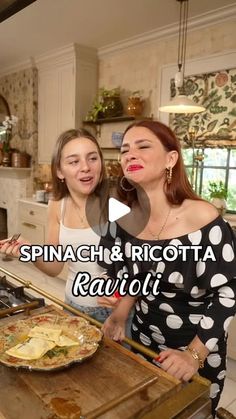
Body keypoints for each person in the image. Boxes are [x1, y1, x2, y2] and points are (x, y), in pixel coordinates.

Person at [99, 120, 236, 416]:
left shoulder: (202, 217)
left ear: (171, 159)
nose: (130, 155)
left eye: (143, 146)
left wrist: (192, 355)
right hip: (143, 341)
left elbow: (227, 294)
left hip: (195, 348)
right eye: (124, 150)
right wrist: (120, 315)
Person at [0, 128, 113, 323]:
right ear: (60, 171)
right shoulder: (57, 205)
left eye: (92, 158)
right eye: (74, 161)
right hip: (72, 306)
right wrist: (29, 251)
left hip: (114, 314)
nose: (86, 167)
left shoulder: (118, 201)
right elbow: (54, 266)